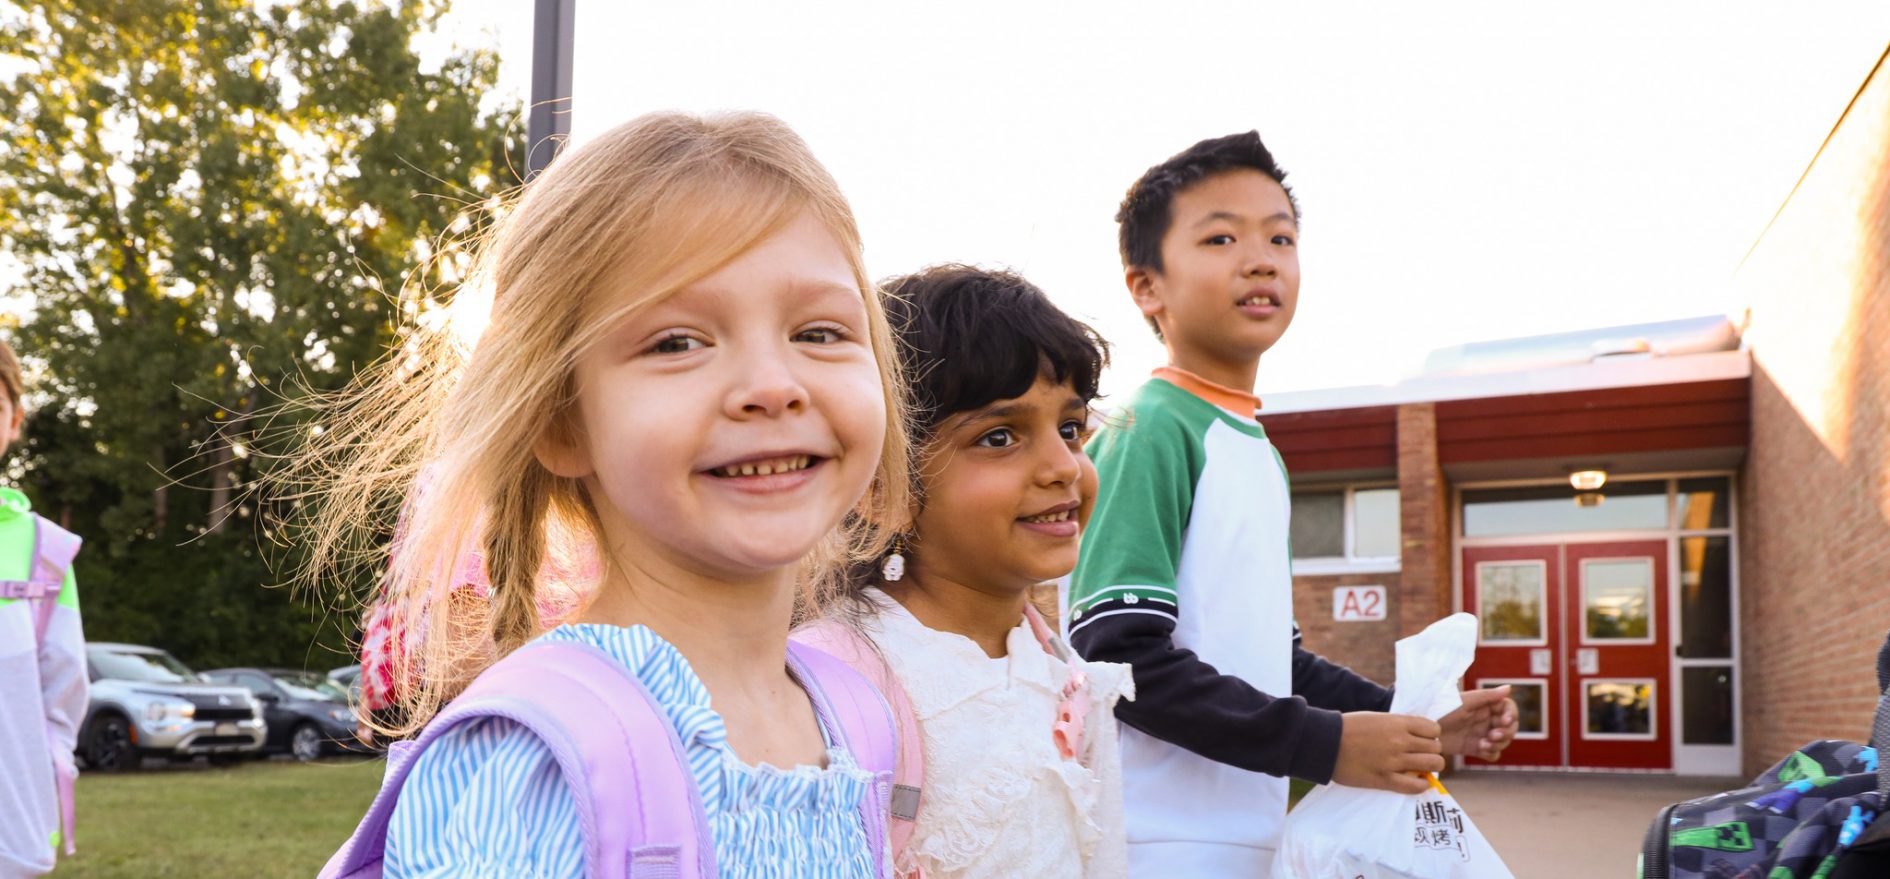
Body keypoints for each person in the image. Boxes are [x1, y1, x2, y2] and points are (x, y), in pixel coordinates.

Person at [291, 111, 912, 877]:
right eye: (677, 342)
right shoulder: (542, 762)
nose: (772, 386)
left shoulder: (854, 718)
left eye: (819, 332)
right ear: (560, 422)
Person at [1066, 132, 1520, 876]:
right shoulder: (1150, 427)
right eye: (1220, 236)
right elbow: (1116, 652)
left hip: (1250, 839)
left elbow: (1275, 660)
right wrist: (1331, 743)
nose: (1261, 258)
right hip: (1155, 842)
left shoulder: (1258, 449)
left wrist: (1414, 720)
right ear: (1147, 286)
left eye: (1281, 236)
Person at [800, 265, 1133, 877]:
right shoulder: (828, 682)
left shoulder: (1068, 678)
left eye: (1070, 428)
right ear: (883, 486)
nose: (1062, 466)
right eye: (1001, 436)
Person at [0, 336, 86, 878]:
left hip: (11, 837)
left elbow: (64, 693)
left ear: (13, 420)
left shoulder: (45, 551)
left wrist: (42, 782)